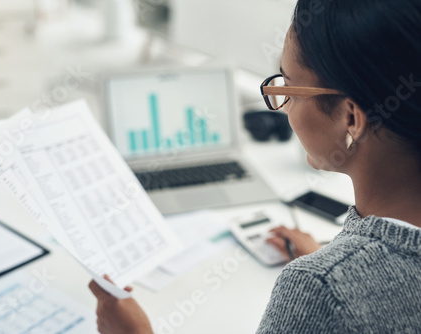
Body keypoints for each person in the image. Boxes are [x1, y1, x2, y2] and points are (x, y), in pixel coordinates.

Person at [88, 0, 421, 332]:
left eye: (289, 88)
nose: (284, 107)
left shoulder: (320, 288)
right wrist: (335, 258)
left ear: (350, 118)